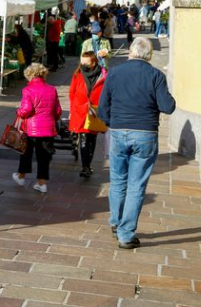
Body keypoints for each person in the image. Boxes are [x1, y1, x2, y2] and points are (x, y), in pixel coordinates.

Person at [98, 37, 176, 249]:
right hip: (145, 133)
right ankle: (126, 233)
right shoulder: (156, 75)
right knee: (136, 185)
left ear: (131, 52)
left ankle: (116, 221)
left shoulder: (114, 72)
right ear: (148, 55)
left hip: (118, 130)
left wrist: (111, 122)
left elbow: (103, 105)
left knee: (117, 180)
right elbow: (168, 107)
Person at [12, 63, 62, 193]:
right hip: (48, 128)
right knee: (44, 156)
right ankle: (42, 183)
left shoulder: (27, 90)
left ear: (29, 76)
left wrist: (19, 112)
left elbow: (26, 110)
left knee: (26, 153)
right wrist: (52, 120)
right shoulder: (52, 89)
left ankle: (21, 176)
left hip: (31, 128)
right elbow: (57, 110)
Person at [68, 51, 107, 178]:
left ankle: (88, 165)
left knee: (92, 139)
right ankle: (85, 167)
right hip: (81, 111)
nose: (83, 64)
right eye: (82, 62)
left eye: (86, 62)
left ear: (94, 62)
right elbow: (72, 93)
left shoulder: (104, 74)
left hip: (95, 111)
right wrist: (74, 108)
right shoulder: (77, 74)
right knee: (84, 139)